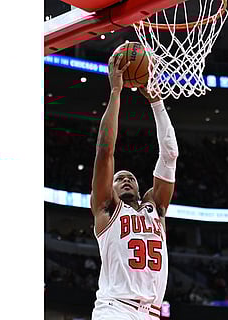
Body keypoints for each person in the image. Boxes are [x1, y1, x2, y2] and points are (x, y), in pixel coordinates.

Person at [90, 51, 179, 320]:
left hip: (152, 312)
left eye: (130, 177)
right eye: (119, 178)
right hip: (115, 308)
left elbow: (170, 154)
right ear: (111, 188)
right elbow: (105, 152)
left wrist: (156, 101)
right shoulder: (107, 209)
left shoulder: (156, 209)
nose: (125, 178)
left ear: (140, 188)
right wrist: (116, 91)